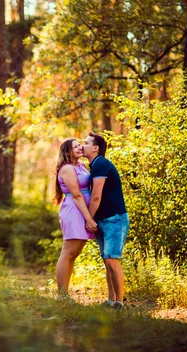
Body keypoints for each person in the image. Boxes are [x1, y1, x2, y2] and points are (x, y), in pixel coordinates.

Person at [82, 131, 129, 309]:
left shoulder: (100, 163)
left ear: (95, 148)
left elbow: (96, 196)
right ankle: (111, 300)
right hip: (103, 220)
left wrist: (89, 219)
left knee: (111, 259)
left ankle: (119, 302)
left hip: (114, 219)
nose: (82, 145)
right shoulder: (95, 165)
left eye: (86, 143)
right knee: (107, 261)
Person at [53, 138, 98, 296]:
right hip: (74, 210)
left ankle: (65, 292)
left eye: (80, 145)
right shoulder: (66, 169)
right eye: (75, 146)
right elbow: (77, 195)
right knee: (68, 253)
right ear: (67, 152)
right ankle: (62, 295)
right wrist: (89, 219)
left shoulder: (81, 166)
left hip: (83, 210)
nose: (80, 147)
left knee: (75, 253)